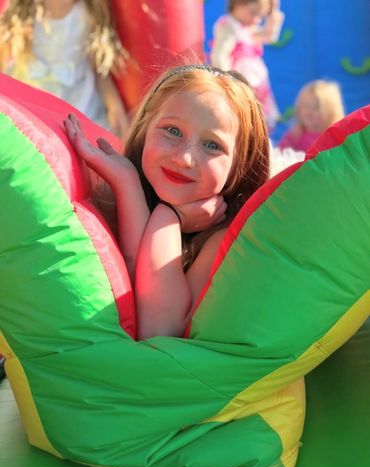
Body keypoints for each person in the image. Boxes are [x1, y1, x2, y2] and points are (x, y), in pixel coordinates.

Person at [64, 64, 270, 340]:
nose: (184, 158)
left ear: (240, 166)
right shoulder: (109, 196)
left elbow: (158, 329)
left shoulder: (226, 240)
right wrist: (128, 187)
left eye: (212, 145)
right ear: (145, 128)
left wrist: (169, 216)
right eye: (172, 131)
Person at [0, 0, 129, 138]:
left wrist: (115, 107)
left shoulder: (86, 15)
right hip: (30, 91)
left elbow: (99, 70)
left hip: (74, 99)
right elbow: (3, 53)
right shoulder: (25, 11)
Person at [210, 0, 284, 130]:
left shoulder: (249, 28)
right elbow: (220, 55)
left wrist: (273, 14)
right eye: (253, 13)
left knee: (259, 116)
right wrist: (226, 78)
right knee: (241, 113)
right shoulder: (229, 26)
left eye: (260, 16)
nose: (256, 20)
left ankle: (259, 138)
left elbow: (269, 36)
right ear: (238, 4)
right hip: (239, 79)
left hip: (256, 81)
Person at [279, 80, 345, 153]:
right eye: (305, 106)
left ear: (331, 111)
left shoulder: (336, 137)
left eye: (316, 107)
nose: (309, 112)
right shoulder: (294, 135)